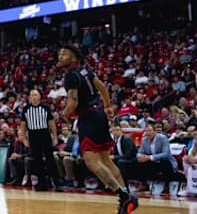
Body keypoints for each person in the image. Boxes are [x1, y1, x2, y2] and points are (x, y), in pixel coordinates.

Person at [59, 44, 138, 214]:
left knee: (91, 162)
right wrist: (108, 106)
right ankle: (126, 197)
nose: (60, 56)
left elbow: (73, 102)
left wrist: (64, 115)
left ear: (74, 57)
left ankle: (124, 196)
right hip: (99, 114)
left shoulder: (71, 76)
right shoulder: (85, 71)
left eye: (64, 54)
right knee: (106, 160)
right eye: (60, 54)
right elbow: (102, 87)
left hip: (88, 118)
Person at [20, 89, 64, 191]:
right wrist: (24, 138)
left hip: (44, 134)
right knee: (37, 161)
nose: (33, 97)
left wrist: (55, 136)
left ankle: (57, 183)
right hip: (33, 135)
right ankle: (42, 184)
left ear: (39, 97)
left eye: (35, 95)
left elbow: (51, 123)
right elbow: (23, 125)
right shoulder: (26, 109)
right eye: (31, 95)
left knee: (50, 159)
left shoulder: (45, 108)